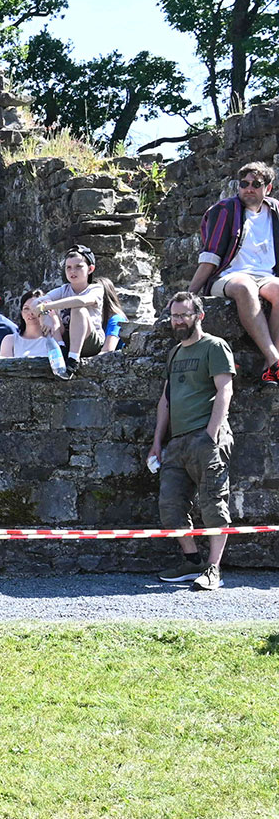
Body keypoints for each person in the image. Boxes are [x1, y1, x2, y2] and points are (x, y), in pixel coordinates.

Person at [148, 291, 235, 592]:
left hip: (206, 438)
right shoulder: (174, 353)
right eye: (174, 315)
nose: (179, 320)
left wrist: (211, 434)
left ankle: (214, 569)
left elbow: (225, 391)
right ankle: (192, 561)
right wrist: (158, 441)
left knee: (213, 504)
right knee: (170, 504)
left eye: (185, 314)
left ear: (199, 315)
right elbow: (166, 400)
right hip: (177, 442)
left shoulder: (214, 346)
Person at [189, 160, 279, 384]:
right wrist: (190, 294)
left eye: (256, 184)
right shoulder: (225, 210)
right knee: (245, 286)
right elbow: (210, 256)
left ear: (267, 188)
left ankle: (271, 367)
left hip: (266, 277)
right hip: (228, 275)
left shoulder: (276, 211)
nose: (249, 188)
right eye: (244, 183)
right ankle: (275, 358)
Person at [37, 247, 119, 374]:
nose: (72, 271)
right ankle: (61, 348)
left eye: (78, 266)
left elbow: (81, 301)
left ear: (90, 269)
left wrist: (46, 307)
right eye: (68, 267)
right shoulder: (63, 289)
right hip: (67, 338)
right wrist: (44, 314)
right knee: (49, 311)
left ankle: (73, 359)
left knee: (78, 309)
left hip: (90, 342)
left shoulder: (96, 289)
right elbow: (37, 302)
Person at [0, 289, 68, 379]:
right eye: (26, 309)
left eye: (35, 308)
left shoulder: (53, 336)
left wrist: (47, 313)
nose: (31, 313)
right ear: (21, 313)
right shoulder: (10, 340)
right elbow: (3, 373)